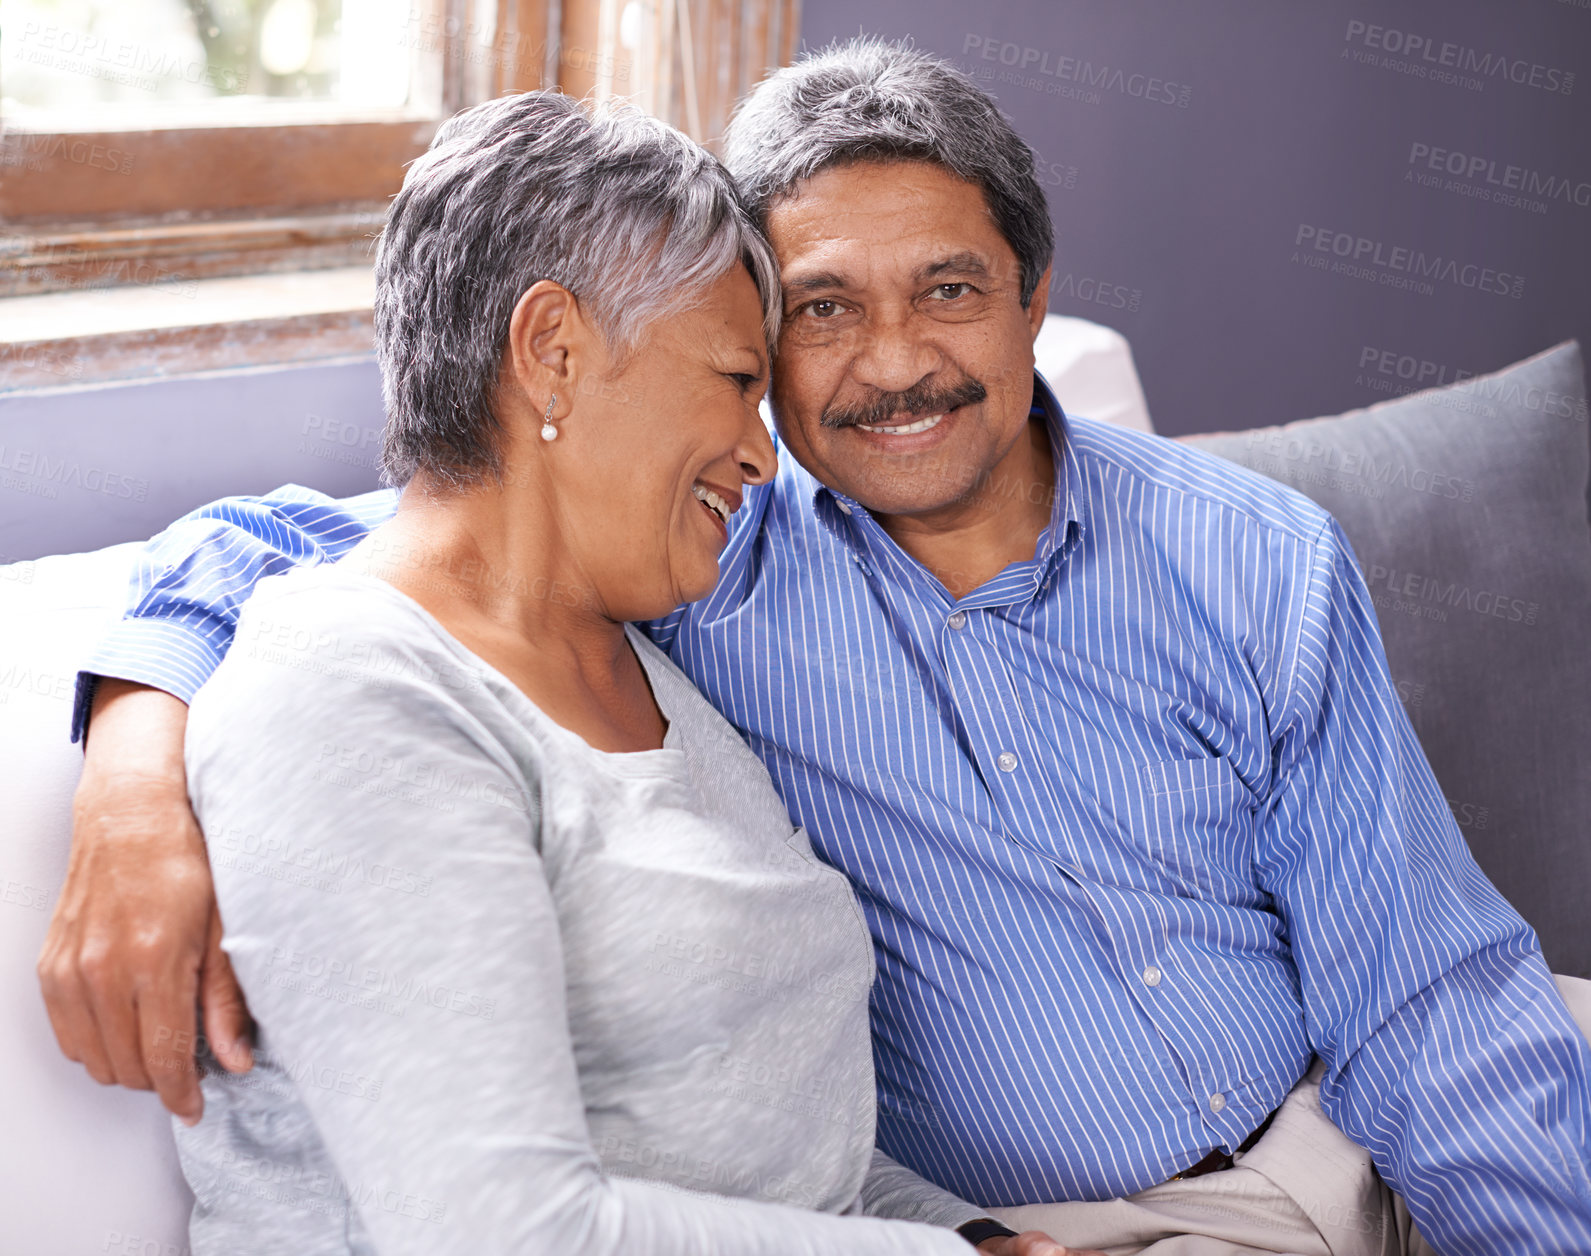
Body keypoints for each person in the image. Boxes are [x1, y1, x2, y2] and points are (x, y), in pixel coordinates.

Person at [41, 38, 1591, 1256]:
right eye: (820, 315)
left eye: (949, 292)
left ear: (1032, 300)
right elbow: (333, 548)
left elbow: (1427, 990)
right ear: (756, 351)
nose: (896, 363)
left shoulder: (1247, 553)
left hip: (1359, 1120)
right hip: (1100, 1228)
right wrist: (130, 770)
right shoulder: (707, 569)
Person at [53, 89, 1082, 1256]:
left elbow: (793, 1151)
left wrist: (977, 1233)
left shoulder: (648, 660)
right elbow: (500, 1231)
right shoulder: (354, 698)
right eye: (735, 378)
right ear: (552, 352)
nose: (762, 448)